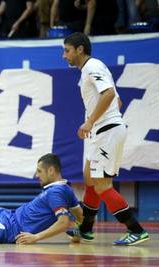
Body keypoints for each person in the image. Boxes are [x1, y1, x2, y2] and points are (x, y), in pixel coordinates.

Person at [62, 32, 149, 245]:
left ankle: (136, 230)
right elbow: (117, 101)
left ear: (80, 49)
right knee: (89, 178)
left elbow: (109, 94)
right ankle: (86, 229)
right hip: (102, 131)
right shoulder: (88, 71)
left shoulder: (93, 66)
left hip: (106, 131)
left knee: (102, 185)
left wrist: (91, 121)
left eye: (67, 50)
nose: (64, 56)